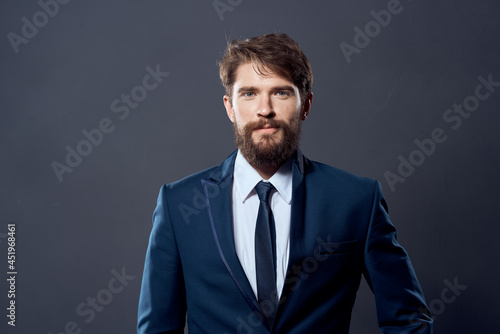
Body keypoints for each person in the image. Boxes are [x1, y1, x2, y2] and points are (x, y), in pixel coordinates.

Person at [137, 33, 433, 334]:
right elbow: (157, 329)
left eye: (281, 93)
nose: (265, 109)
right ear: (229, 107)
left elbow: (408, 320)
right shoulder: (179, 205)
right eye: (249, 94)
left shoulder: (357, 200)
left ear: (305, 105)